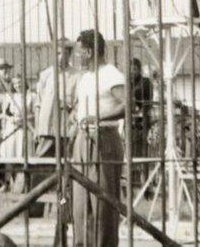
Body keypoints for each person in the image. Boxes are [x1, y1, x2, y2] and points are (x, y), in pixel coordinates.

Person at [71, 29, 126, 247]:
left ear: (89, 52)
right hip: (82, 140)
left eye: (79, 53)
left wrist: (99, 117)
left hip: (104, 139)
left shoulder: (111, 74)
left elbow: (128, 105)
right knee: (81, 205)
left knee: (103, 204)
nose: (76, 57)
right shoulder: (86, 78)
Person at [34, 42, 79, 157]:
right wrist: (37, 128)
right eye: (58, 53)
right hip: (46, 129)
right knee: (42, 165)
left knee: (66, 165)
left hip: (65, 130)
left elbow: (78, 104)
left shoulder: (76, 76)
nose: (61, 58)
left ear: (69, 55)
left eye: (65, 54)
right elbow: (38, 104)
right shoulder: (46, 74)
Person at [129, 58, 153, 187]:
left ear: (139, 70)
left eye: (135, 69)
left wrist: (141, 112)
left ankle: (145, 179)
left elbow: (148, 102)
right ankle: (134, 179)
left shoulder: (145, 82)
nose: (133, 72)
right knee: (131, 150)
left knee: (142, 150)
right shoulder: (127, 83)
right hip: (130, 120)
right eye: (131, 69)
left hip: (142, 120)